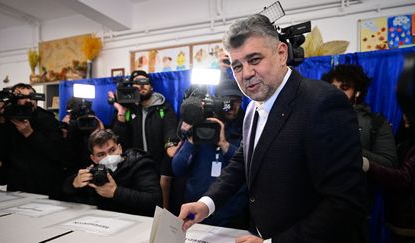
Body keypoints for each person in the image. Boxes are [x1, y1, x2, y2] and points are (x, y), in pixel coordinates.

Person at [178, 14, 367, 243]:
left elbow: (346, 203)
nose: (246, 73)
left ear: (281, 53)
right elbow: (243, 163)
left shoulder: (323, 102)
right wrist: (206, 204)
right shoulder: (252, 108)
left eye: (254, 59)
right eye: (237, 66)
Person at [322, 64, 398, 242]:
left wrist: (352, 151)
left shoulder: (376, 123)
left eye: (345, 87)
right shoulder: (315, 117)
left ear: (357, 92)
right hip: (316, 211)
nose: (337, 92)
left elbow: (389, 164)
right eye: (333, 88)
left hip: (355, 213)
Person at [172, 78, 248, 228]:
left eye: (237, 101)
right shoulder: (200, 124)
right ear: (218, 101)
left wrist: (224, 144)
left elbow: (248, 167)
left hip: (233, 213)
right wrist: (191, 140)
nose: (232, 106)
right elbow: (177, 169)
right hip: (197, 211)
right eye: (228, 102)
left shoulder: (247, 127)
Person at [362, 53, 415, 243]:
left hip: (407, 223)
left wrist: (367, 164)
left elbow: (403, 176)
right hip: (396, 219)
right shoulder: (404, 135)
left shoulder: (376, 122)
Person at [110, 70, 179, 210]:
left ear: (151, 86)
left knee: (163, 204)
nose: (141, 86)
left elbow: (170, 129)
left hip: (161, 165)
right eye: (136, 83)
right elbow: (120, 142)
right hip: (137, 168)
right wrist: (121, 113)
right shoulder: (128, 110)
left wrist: (170, 145)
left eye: (144, 82)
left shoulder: (164, 107)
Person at [0, 83, 65, 199]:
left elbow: (57, 153)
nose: (28, 100)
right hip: (17, 188)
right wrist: (0, 120)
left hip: (47, 187)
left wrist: (30, 134)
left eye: (31, 96)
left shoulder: (47, 119)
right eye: (22, 97)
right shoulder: (6, 119)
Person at [63, 129, 162, 216]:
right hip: (105, 221)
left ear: (120, 148)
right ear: (94, 158)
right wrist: (74, 182)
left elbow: (155, 200)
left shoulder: (139, 164)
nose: (109, 157)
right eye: (101, 154)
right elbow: (64, 190)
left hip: (138, 221)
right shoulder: (96, 171)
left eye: (112, 150)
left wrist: (116, 192)